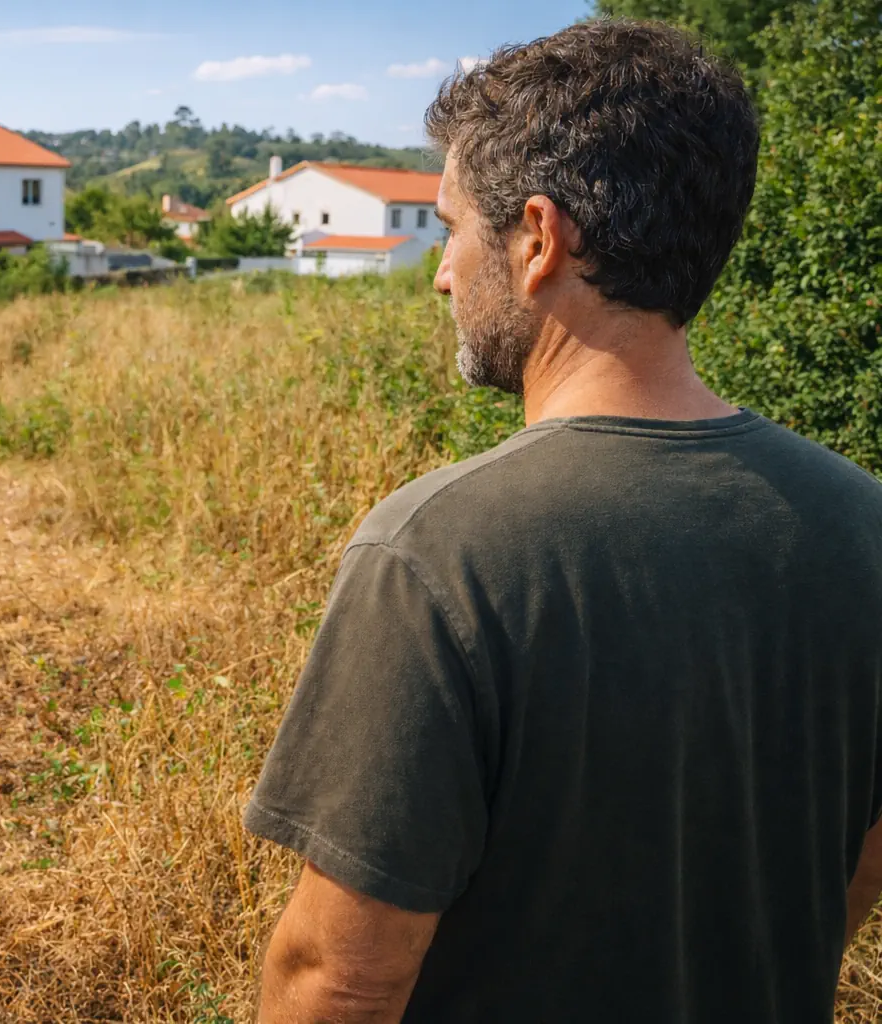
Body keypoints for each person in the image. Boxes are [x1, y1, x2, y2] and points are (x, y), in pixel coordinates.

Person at [245, 18, 882, 1024]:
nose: (443, 273)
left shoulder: (439, 554)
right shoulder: (863, 525)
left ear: (537, 239)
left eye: (454, 228)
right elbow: (852, 871)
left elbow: (341, 978)